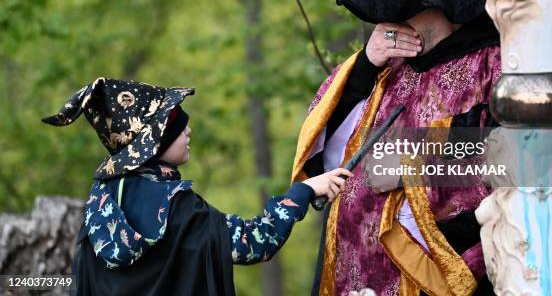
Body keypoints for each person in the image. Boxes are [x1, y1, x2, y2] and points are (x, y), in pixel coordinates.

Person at [290, 0, 500, 296]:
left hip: (434, 270)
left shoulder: (491, 61)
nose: (391, 22)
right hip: (355, 268)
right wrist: (366, 63)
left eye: (401, 8)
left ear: (439, 3)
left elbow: (524, 155)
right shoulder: (387, 64)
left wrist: (404, 158)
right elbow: (324, 152)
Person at [42, 77, 351, 296]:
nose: (187, 130)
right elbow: (257, 243)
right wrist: (304, 190)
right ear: (153, 142)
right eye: (175, 126)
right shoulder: (177, 206)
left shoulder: (100, 201)